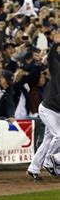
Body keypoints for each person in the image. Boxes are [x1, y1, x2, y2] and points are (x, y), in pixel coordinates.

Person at [27, 31, 59, 180]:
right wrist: (55, 43)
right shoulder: (57, 69)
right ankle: (48, 161)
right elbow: (51, 59)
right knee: (58, 136)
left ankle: (33, 168)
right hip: (47, 109)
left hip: (57, 111)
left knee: (48, 139)